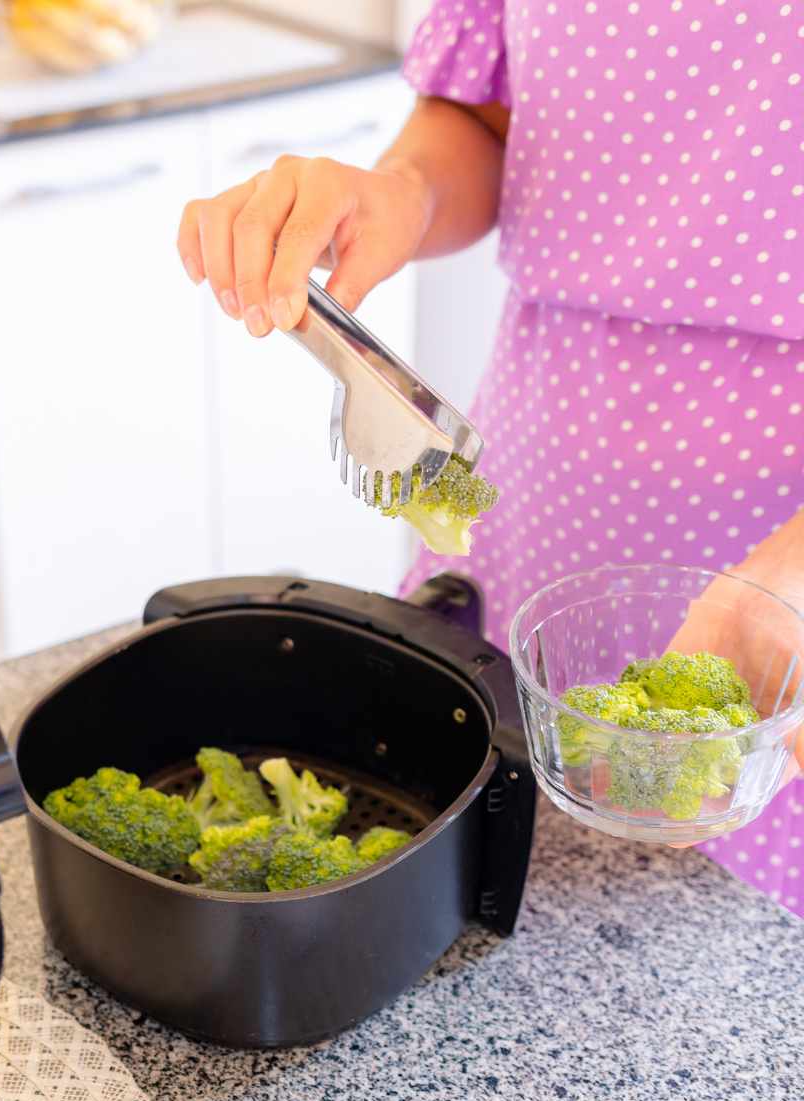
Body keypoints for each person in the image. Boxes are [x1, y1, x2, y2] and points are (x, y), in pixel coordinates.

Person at [177, 0, 804, 911]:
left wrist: (789, 579)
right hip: (529, 508)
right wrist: (402, 191)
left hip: (778, 598)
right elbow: (487, 117)